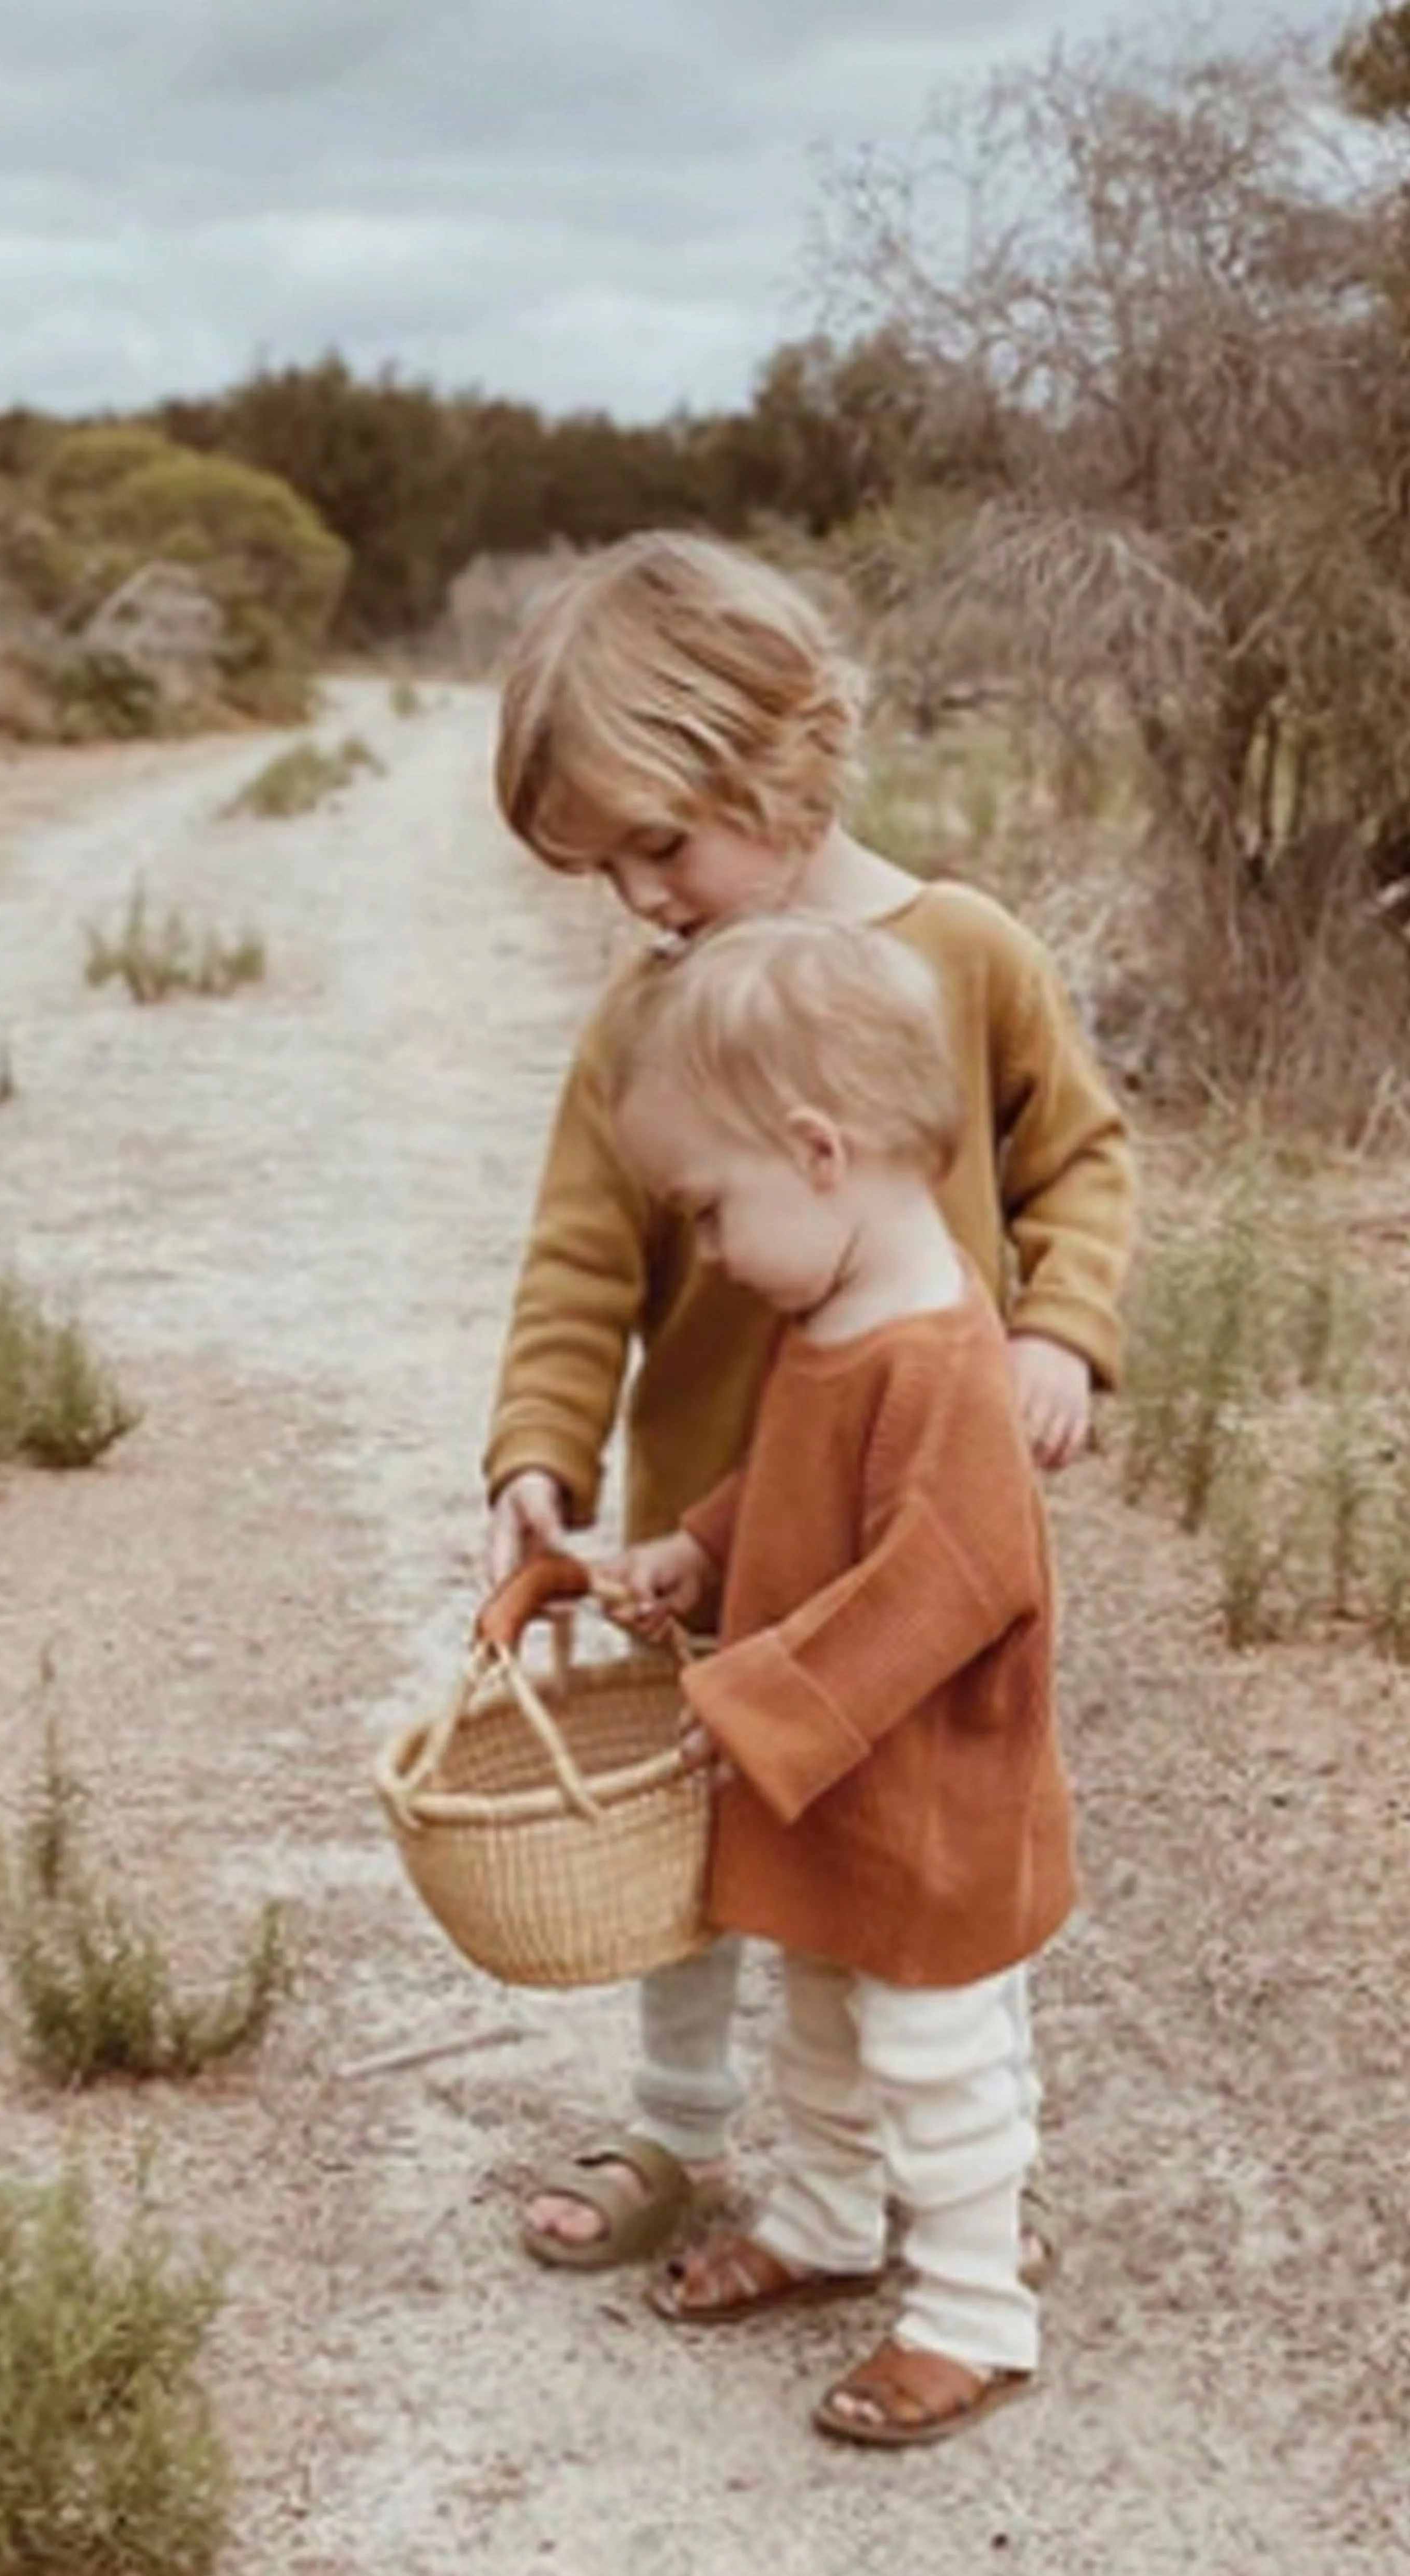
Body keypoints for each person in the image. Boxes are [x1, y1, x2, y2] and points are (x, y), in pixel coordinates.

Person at [482, 529, 1133, 2277]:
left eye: (659, 846)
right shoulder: (650, 1020)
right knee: (698, 1844)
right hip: (713, 1516)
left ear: (777, 763)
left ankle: (973, 2180)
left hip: (913, 1524)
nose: (640, 899)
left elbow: (1077, 1157)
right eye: (600, 869)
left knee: (927, 1860)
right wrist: (541, 1456)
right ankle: (682, 2131)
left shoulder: (965, 954)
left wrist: (1059, 1331)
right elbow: (577, 1262)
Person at [600, 911, 1074, 2444]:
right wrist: (703, 1549)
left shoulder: (942, 1360)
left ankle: (973, 2307)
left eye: (714, 1215)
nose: (716, 1258)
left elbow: (943, 1584)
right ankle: (824, 2218)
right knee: (817, 2019)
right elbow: (803, 1489)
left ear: (817, 1153)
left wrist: (746, 1705)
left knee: (933, 2057)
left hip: (930, 1799)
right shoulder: (835, 1316)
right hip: (839, 1789)